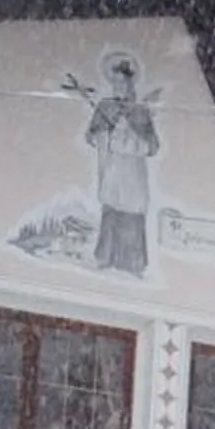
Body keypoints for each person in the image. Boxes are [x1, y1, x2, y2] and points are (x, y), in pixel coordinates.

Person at [64, 49, 162, 275]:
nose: (119, 86)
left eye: (123, 82)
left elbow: (153, 145)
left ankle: (132, 263)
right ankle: (106, 257)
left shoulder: (140, 110)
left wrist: (132, 136)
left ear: (130, 83)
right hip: (112, 167)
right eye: (115, 82)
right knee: (111, 209)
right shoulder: (104, 106)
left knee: (132, 211)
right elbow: (91, 136)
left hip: (133, 171)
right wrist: (105, 133)